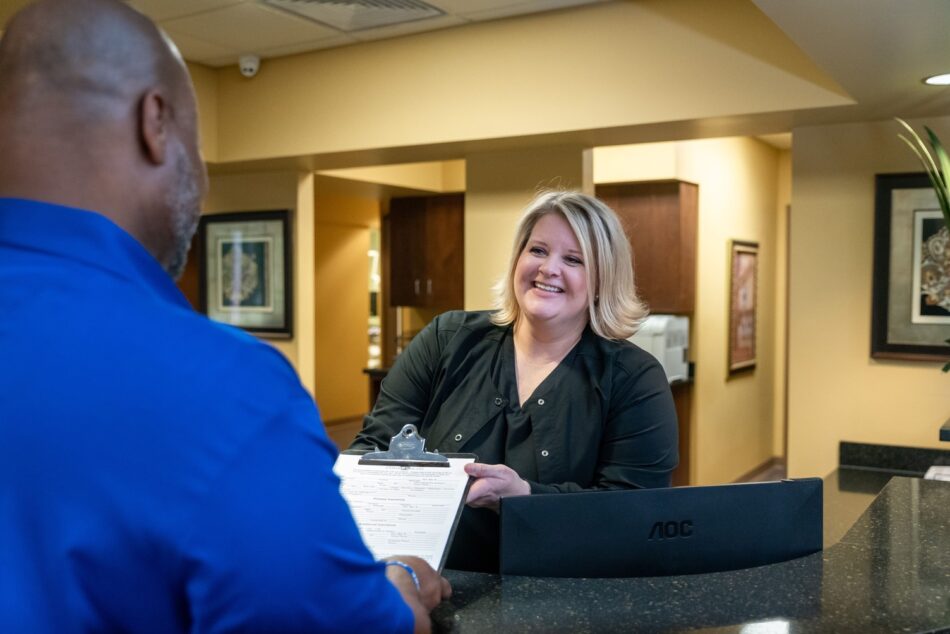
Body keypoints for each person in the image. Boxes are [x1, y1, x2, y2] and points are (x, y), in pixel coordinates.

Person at [0, 0, 449, 631]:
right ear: (154, 122)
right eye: (198, 141)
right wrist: (399, 586)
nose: (204, 175)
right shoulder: (221, 389)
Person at [352, 191, 679, 572]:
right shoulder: (446, 338)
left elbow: (633, 514)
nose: (549, 269)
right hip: (428, 579)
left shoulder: (634, 379)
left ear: (602, 280)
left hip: (563, 593)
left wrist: (522, 495)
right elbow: (370, 452)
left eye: (573, 260)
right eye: (538, 250)